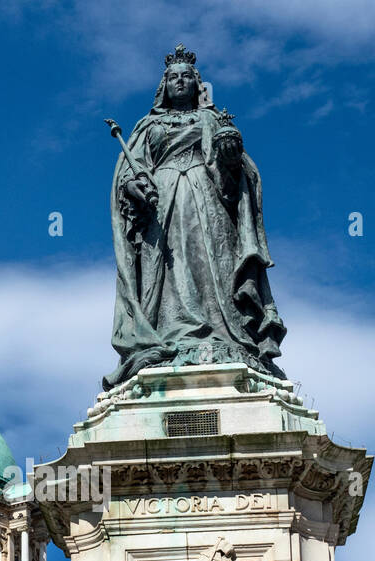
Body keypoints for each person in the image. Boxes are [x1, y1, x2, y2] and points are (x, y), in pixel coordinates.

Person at [106, 44, 287, 390]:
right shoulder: (147, 126)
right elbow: (130, 174)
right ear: (164, 85)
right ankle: (164, 337)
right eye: (172, 77)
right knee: (164, 271)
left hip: (207, 198)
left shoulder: (212, 120)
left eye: (185, 77)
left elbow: (238, 176)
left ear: (196, 84)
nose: (179, 82)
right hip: (161, 205)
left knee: (212, 267)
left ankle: (224, 334)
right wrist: (134, 188)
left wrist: (231, 157)